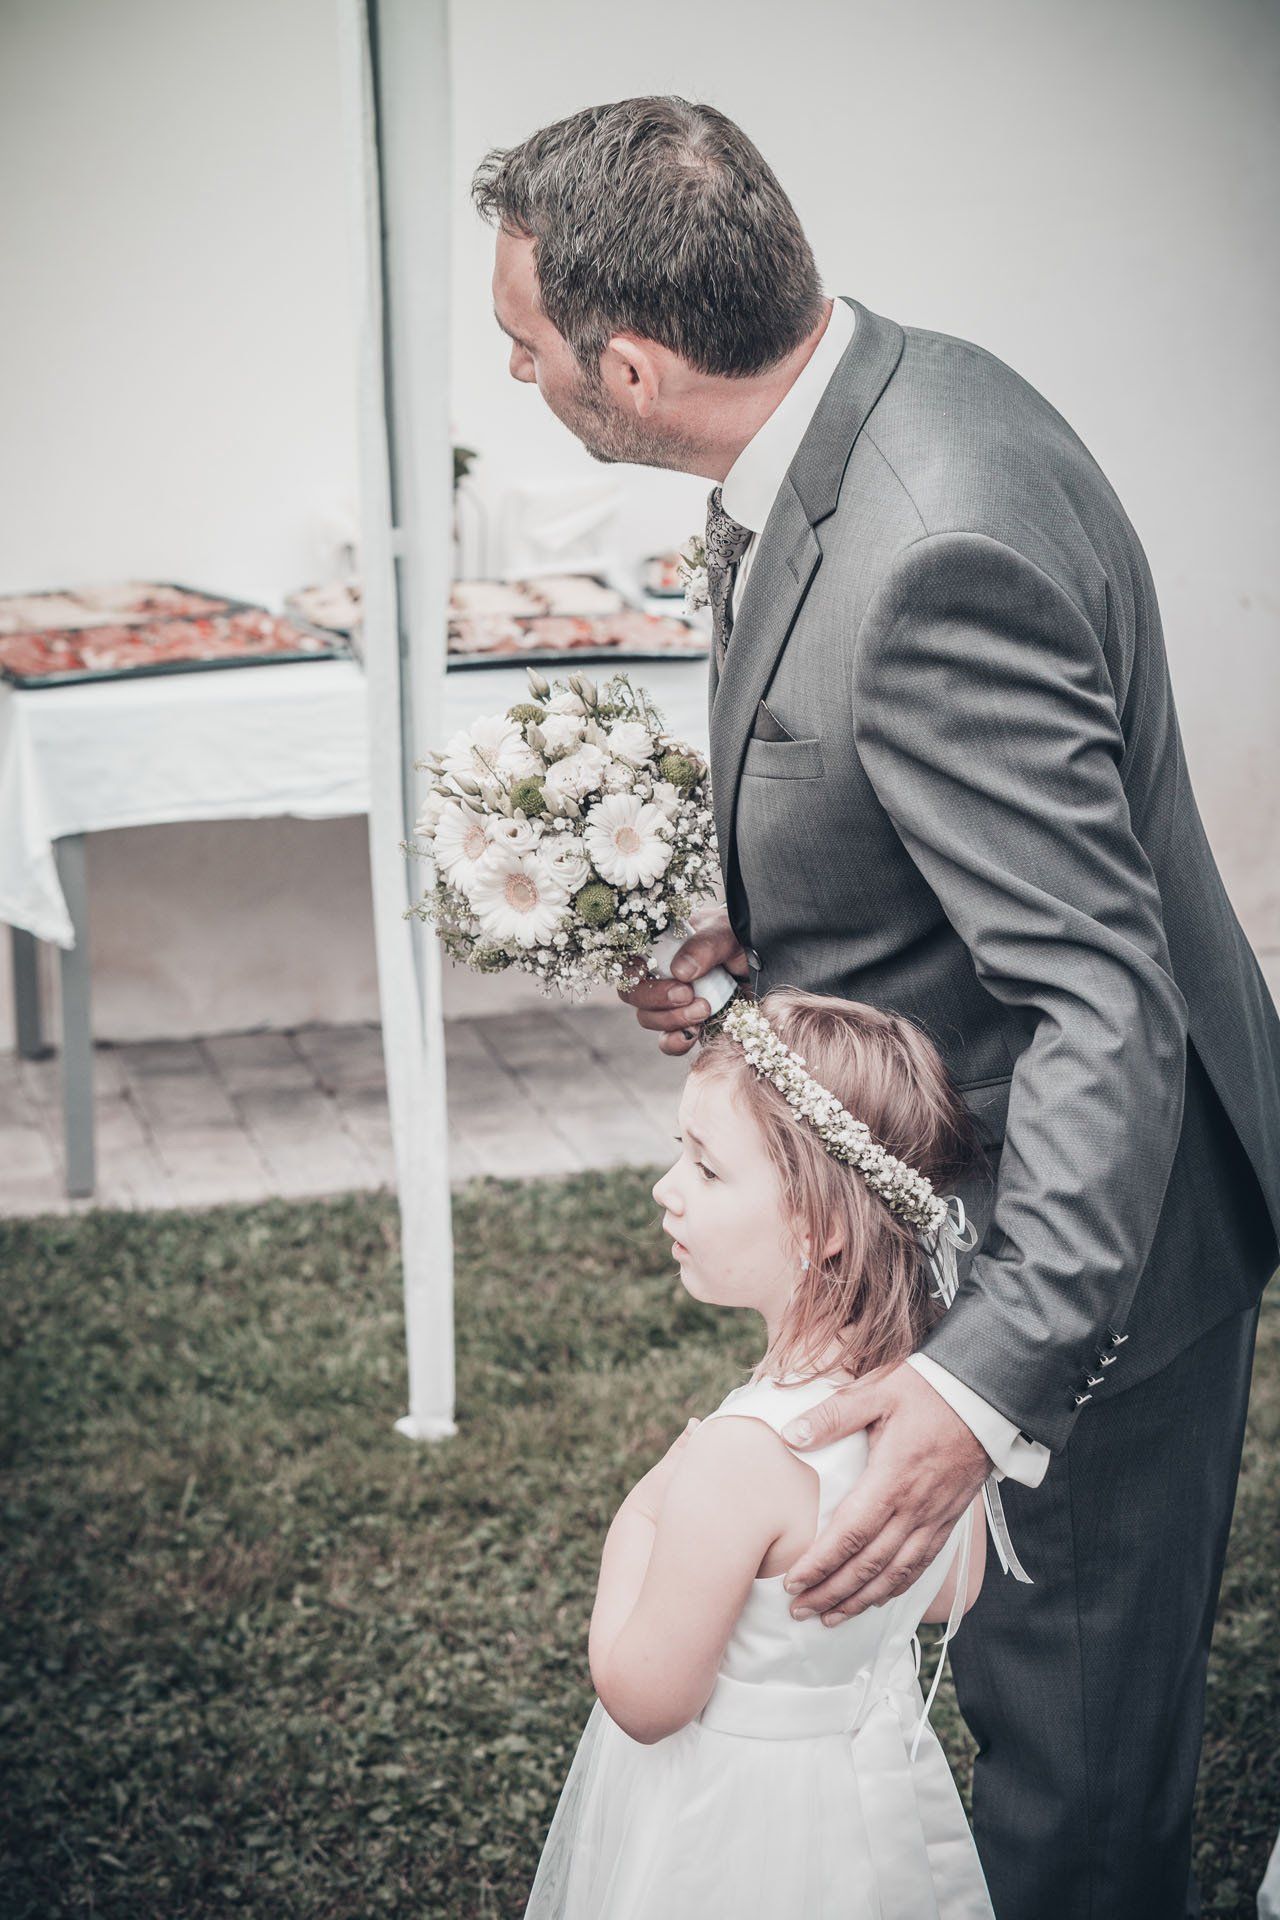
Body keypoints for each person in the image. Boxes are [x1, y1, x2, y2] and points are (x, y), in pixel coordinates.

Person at [473, 97, 1280, 1918]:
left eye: (526, 347)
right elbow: (958, 831)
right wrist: (768, 944)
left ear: (633, 365)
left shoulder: (932, 547)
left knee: (1075, 1791)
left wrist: (987, 1383)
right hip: (985, 1174)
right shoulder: (891, 385)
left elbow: (1098, 991)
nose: (515, 374)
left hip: (1101, 1252)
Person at [525, 987, 997, 1919]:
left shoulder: (739, 1458)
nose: (667, 1188)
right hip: (873, 1811)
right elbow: (951, 1594)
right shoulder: (933, 1419)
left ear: (821, 1228)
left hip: (735, 1831)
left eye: (706, 1168)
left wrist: (638, 1519)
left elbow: (646, 1698)